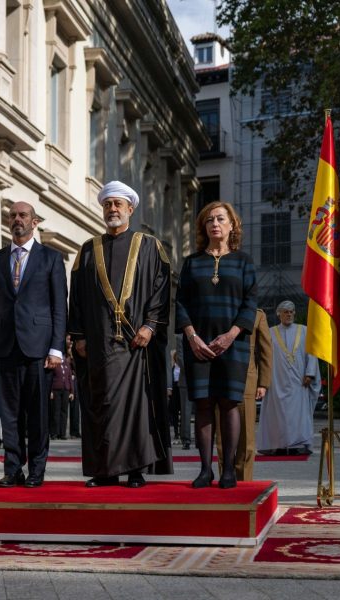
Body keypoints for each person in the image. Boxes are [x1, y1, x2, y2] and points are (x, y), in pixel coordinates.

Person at [69, 181, 172, 488]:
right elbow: (76, 297)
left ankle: (136, 470)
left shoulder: (151, 246)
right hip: (99, 343)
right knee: (103, 404)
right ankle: (105, 471)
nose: (112, 209)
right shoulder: (88, 250)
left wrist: (150, 325)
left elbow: (162, 289)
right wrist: (78, 335)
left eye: (117, 204)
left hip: (136, 344)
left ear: (131, 208)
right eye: (107, 205)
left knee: (136, 406)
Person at [0, 201, 67, 488]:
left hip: (39, 349)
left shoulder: (51, 259)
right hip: (4, 347)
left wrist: (57, 349)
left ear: (34, 222)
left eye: (23, 215)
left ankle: (37, 470)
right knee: (9, 413)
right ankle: (13, 468)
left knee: (37, 413)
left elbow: (59, 307)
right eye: (13, 216)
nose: (17, 219)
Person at [175, 201, 257, 489]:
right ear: (203, 227)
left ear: (232, 225)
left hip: (233, 344)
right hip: (198, 343)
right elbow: (180, 302)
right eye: (209, 220)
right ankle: (205, 469)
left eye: (221, 219)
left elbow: (250, 303)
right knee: (203, 404)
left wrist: (231, 335)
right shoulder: (192, 262)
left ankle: (229, 471)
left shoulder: (244, 261)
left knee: (229, 403)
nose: (215, 224)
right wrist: (192, 337)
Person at [256, 301, 321, 456]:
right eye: (285, 312)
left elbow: (312, 352)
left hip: (299, 381)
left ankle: (298, 444)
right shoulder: (270, 333)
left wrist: (310, 373)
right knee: (278, 414)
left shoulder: (304, 330)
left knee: (298, 414)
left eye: (291, 311)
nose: (289, 314)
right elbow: (263, 355)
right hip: (276, 380)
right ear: (278, 314)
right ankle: (278, 445)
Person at [216, 308, 271, 481]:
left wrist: (263, 382)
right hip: (221, 378)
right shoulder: (223, 309)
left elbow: (265, 350)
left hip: (247, 380)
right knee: (222, 435)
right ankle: (225, 476)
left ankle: (244, 482)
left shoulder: (257, 314)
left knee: (246, 438)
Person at [49, 338, 74, 440]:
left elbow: (69, 377)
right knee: (56, 412)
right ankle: (54, 433)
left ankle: (62, 433)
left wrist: (72, 391)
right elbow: (50, 377)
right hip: (56, 389)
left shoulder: (66, 363)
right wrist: (50, 391)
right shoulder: (55, 362)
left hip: (65, 389)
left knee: (64, 412)